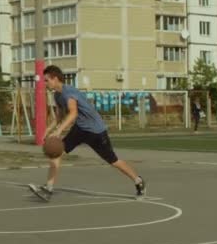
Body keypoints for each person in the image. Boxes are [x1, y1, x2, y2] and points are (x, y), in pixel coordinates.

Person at [28, 65, 146, 202]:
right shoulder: (57, 95)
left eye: (46, 80)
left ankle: (138, 181)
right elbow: (59, 117)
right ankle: (48, 189)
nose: (45, 83)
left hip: (96, 130)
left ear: (55, 79)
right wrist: (47, 131)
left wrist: (58, 132)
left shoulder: (68, 93)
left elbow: (73, 113)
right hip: (80, 129)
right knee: (57, 153)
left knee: (113, 161)